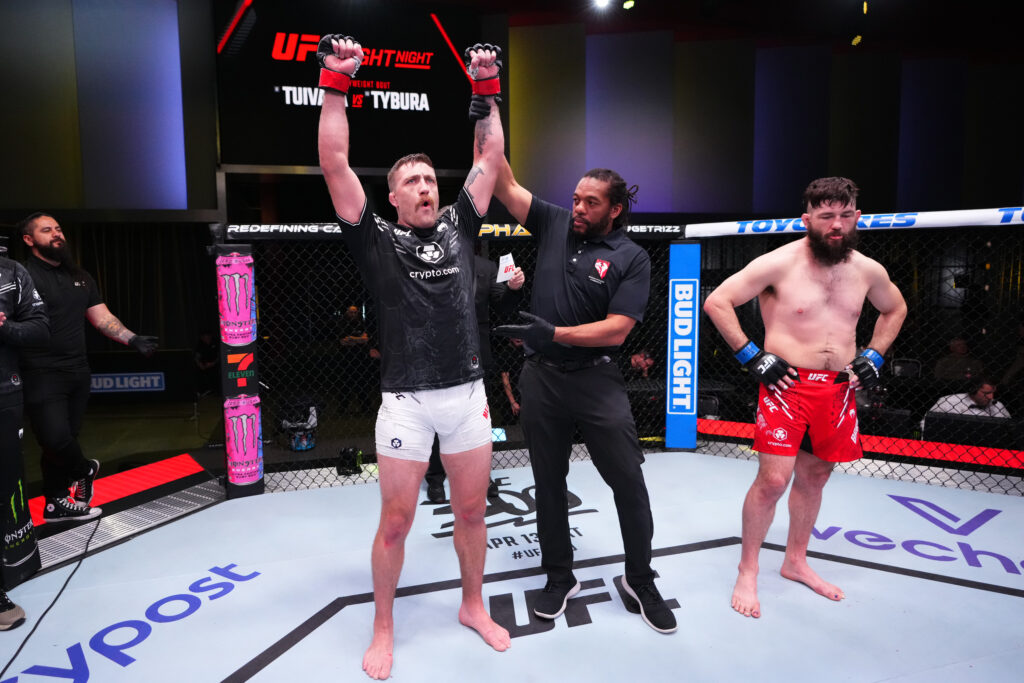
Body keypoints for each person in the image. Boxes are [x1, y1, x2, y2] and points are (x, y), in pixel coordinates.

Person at [316, 35, 510, 679]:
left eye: (430, 179)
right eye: (412, 182)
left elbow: (491, 155)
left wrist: (486, 89)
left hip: (468, 395)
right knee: (396, 522)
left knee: (473, 511)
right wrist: (336, 83)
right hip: (405, 401)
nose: (426, 188)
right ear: (393, 197)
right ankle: (382, 626)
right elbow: (336, 162)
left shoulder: (461, 225)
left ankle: (473, 605)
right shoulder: (376, 240)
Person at [702, 177, 907, 619]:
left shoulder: (867, 269)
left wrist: (874, 354)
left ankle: (796, 561)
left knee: (814, 479)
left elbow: (895, 308)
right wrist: (752, 355)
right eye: (826, 215)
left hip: (837, 391)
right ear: (807, 218)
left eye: (845, 214)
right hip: (786, 387)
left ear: (857, 215)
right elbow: (718, 302)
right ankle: (748, 568)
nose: (836, 224)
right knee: (774, 481)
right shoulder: (779, 263)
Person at [491, 162, 677, 634]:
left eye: (590, 202)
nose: (578, 208)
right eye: (575, 198)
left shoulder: (631, 256)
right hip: (542, 379)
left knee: (628, 481)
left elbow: (618, 329)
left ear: (614, 209)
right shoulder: (554, 222)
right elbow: (505, 180)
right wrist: (488, 101)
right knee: (547, 481)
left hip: (596, 380)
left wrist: (553, 332)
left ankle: (640, 578)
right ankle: (558, 576)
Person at [17, 212, 159, 524]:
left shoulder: (80, 277)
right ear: (29, 240)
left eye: (58, 228)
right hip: (40, 372)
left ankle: (55, 502)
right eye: (46, 230)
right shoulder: (22, 277)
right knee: (54, 439)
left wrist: (131, 338)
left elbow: (101, 318)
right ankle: (85, 470)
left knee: (65, 437)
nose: (56, 234)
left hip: (78, 372)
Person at [425, 255, 524, 503]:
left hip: (476, 350)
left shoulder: (485, 267)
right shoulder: (427, 261)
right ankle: (435, 477)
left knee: (478, 417)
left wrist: (513, 289)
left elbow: (503, 306)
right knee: (437, 414)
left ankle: (480, 474)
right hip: (439, 349)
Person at [0, 254, 48, 630]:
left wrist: (5, 327)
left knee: (4, 489)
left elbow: (38, 329)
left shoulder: (11, 271)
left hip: (3, 393)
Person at [926, 377, 1010, 419]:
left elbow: (1009, 429)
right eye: (986, 393)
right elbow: (924, 424)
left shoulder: (998, 405)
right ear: (972, 390)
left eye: (992, 393)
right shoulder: (949, 402)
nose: (991, 397)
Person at [194, 329, 219, 397]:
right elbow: (197, 356)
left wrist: (213, 363)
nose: (206, 339)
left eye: (207, 337)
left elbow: (219, 357)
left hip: (215, 365)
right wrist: (200, 364)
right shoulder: (200, 344)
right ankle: (201, 391)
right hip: (204, 365)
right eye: (204, 337)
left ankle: (215, 390)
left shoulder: (216, 343)